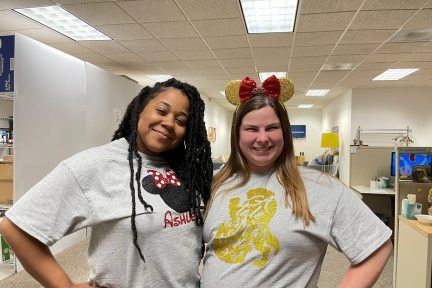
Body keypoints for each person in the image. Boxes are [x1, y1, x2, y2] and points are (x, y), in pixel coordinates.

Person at [0, 78, 213, 288]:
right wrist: (64, 286)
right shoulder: (97, 164)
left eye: (181, 121)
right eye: (162, 111)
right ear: (140, 109)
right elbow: (16, 227)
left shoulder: (188, 171)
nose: (169, 123)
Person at [201, 75, 393, 288]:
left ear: (285, 132)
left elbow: (377, 246)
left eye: (272, 128)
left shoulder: (321, 187)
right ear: (237, 134)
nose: (262, 138)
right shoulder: (216, 184)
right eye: (252, 129)